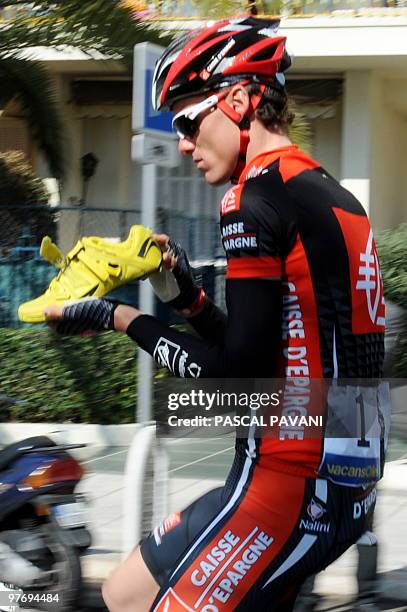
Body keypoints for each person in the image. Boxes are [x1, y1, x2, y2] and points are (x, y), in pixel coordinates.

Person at [45, 16, 389, 612]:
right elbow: (268, 360)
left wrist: (116, 316)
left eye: (186, 120)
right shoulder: (334, 195)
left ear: (237, 100)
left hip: (288, 484)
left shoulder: (251, 197)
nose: (181, 142)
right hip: (336, 483)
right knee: (124, 594)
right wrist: (186, 298)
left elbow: (236, 382)